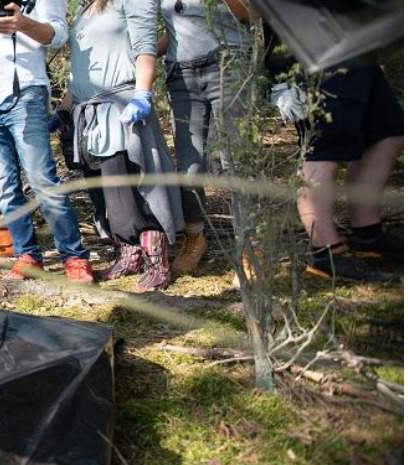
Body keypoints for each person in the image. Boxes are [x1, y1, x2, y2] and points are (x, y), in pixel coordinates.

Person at [0, 0, 94, 284]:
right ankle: (27, 255)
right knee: (5, 187)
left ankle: (74, 256)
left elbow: (58, 35)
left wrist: (22, 23)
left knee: (42, 181)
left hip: (26, 92)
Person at [265, 31, 404, 280]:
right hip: (315, 48)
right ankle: (327, 253)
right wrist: (279, 71)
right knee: (323, 147)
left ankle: (367, 233)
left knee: (386, 132)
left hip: (356, 45)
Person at [67, 0, 184, 291]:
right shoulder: (86, 8)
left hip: (119, 109)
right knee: (104, 193)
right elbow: (80, 68)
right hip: (89, 113)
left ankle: (157, 261)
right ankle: (129, 254)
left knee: (130, 191)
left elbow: (145, 48)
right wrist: (63, 109)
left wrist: (142, 94)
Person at [158, 0, 254, 277]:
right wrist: (142, 55)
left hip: (228, 63)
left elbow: (252, 16)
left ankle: (250, 245)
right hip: (181, 74)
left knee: (236, 158)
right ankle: (195, 238)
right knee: (189, 164)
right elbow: (176, 29)